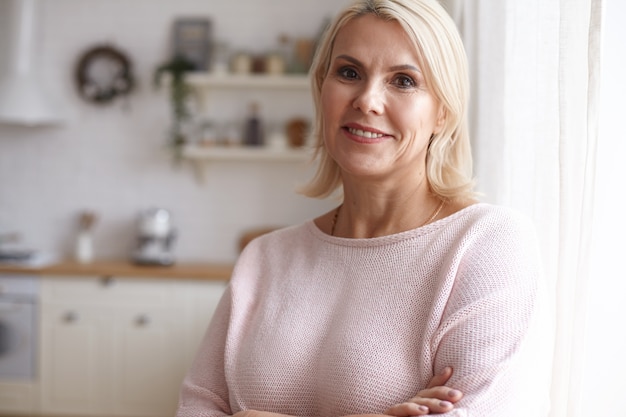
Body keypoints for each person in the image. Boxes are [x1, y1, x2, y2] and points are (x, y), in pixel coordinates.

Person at [176, 0, 553, 416]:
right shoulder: (264, 259)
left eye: (404, 81)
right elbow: (197, 407)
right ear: (322, 89)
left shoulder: (488, 243)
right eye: (349, 73)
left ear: (443, 112)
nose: (368, 100)